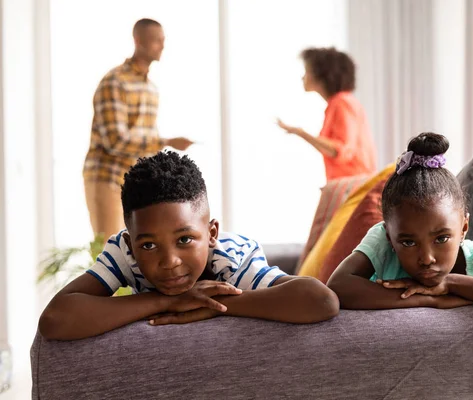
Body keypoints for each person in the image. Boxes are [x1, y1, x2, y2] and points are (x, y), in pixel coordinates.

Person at [40, 151, 339, 340]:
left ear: (211, 234)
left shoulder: (230, 257)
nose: (169, 261)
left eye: (184, 240)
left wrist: (213, 305)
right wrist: (167, 301)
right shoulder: (124, 251)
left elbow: (321, 301)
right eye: (148, 246)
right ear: (131, 244)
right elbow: (55, 319)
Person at [327, 132, 473, 324]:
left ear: (464, 227)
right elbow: (338, 286)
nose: (426, 259)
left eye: (441, 239)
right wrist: (429, 299)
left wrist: (450, 284)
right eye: (408, 242)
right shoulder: (382, 240)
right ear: (390, 237)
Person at [83, 18, 194, 242]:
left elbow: (143, 141)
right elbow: (115, 141)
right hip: (108, 179)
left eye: (163, 40)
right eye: (156, 41)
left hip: (133, 182)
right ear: (138, 41)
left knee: (137, 252)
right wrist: (166, 141)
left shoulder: (151, 88)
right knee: (110, 251)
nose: (162, 46)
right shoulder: (115, 82)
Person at [277, 47, 377, 182]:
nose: (303, 77)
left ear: (321, 75)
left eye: (307, 71)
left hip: (352, 184)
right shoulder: (341, 102)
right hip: (353, 182)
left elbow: (341, 151)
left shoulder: (341, 103)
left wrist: (300, 132)